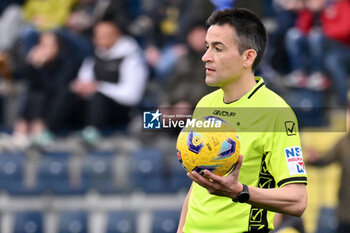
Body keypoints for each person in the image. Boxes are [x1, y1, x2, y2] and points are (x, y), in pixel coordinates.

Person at [177, 8, 308, 233]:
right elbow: (196, 188)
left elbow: (297, 200)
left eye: (218, 48)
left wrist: (240, 191)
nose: (205, 56)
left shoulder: (276, 113)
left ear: (248, 57)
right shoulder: (206, 104)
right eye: (207, 46)